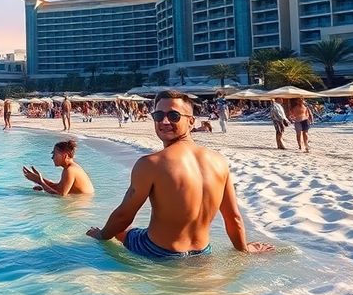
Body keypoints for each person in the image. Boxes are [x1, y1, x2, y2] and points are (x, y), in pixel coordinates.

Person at [86, 89, 274, 258]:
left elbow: (123, 217)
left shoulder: (151, 163)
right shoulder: (219, 161)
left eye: (174, 116)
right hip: (202, 252)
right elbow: (233, 217)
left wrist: (101, 236)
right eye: (158, 115)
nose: (164, 121)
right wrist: (244, 249)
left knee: (121, 231)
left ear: (191, 122)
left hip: (157, 251)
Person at [23, 140, 95, 195]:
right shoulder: (71, 168)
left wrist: (40, 182)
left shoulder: (70, 170)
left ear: (65, 156)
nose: (52, 157)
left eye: (54, 154)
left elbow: (60, 195)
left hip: (80, 204)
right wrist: (39, 180)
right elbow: (58, 187)